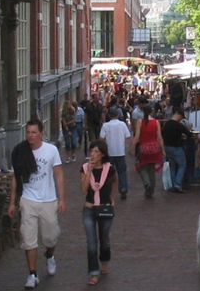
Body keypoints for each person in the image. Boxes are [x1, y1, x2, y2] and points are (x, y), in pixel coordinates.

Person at [9, 119, 67, 289]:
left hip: (48, 200)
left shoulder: (51, 150)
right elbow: (16, 177)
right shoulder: (21, 151)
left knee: (50, 237)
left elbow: (58, 175)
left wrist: (61, 198)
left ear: (41, 133)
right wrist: (13, 202)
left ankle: (49, 255)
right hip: (28, 199)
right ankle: (32, 274)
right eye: (28, 132)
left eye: (34, 132)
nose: (30, 136)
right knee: (29, 239)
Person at [80, 140, 117, 286]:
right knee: (91, 242)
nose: (92, 155)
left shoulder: (109, 169)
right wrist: (89, 170)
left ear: (102, 154)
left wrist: (112, 198)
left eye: (96, 152)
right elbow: (83, 190)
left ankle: (105, 261)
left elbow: (115, 181)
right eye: (91, 151)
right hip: (89, 208)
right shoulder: (84, 168)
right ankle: (93, 272)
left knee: (104, 238)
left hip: (105, 208)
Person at [162, 107, 199, 193]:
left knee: (172, 166)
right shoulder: (178, 125)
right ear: (179, 116)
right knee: (182, 165)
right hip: (176, 147)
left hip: (168, 147)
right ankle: (177, 184)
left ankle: (172, 184)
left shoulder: (167, 124)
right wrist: (197, 138)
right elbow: (189, 134)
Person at [99, 107, 132, 200]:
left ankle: (108, 190)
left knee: (108, 173)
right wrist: (131, 148)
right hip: (120, 152)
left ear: (109, 115)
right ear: (117, 115)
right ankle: (123, 188)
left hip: (109, 153)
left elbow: (101, 139)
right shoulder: (122, 124)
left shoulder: (105, 125)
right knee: (122, 171)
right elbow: (128, 137)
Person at [132, 105, 165, 199]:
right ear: (151, 112)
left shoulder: (140, 121)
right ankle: (151, 189)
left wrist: (132, 147)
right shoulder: (156, 122)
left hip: (143, 148)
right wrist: (163, 149)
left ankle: (147, 184)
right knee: (151, 168)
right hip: (154, 148)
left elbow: (137, 136)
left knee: (142, 166)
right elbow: (159, 137)